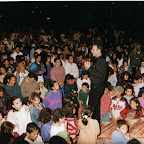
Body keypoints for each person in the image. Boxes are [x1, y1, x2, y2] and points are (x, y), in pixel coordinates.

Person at [84, 44, 107, 124]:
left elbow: (100, 76)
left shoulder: (101, 61)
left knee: (91, 108)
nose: (91, 51)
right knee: (96, 109)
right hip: (96, 86)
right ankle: (96, 126)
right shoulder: (98, 60)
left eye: (93, 50)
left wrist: (90, 68)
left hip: (97, 87)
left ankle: (87, 125)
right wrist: (88, 69)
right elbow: (96, 74)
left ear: (99, 51)